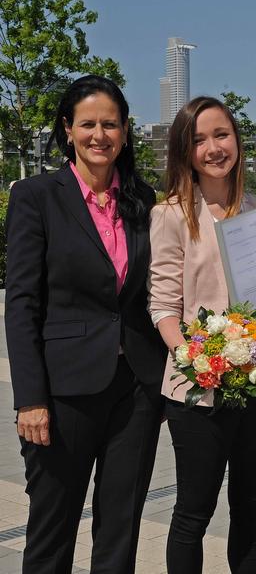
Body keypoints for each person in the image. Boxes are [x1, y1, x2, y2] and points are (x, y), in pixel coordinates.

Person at [5, 75, 166, 573]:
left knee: (120, 530)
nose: (100, 135)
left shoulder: (143, 198)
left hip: (136, 389)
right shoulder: (37, 196)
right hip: (63, 391)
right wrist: (30, 399)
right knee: (52, 531)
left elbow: (149, 294)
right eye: (88, 124)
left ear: (124, 132)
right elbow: (22, 304)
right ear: (68, 130)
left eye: (111, 124)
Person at [148, 96, 256, 573]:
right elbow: (164, 305)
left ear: (237, 140)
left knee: (252, 507)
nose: (214, 147)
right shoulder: (171, 214)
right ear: (184, 151)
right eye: (199, 139)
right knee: (193, 512)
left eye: (222, 135)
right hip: (199, 387)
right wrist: (196, 354)